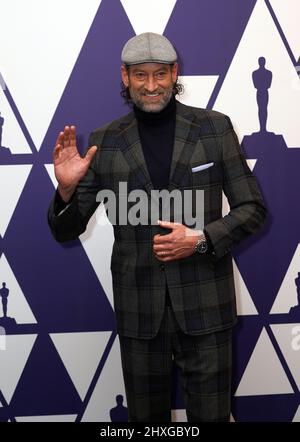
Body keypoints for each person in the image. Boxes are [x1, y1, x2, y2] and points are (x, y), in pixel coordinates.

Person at [48, 32, 267, 422]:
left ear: (174, 73)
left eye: (160, 74)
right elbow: (66, 229)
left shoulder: (214, 128)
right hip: (139, 312)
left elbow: (252, 208)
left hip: (206, 309)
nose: (151, 86)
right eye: (140, 76)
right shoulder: (105, 142)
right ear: (125, 77)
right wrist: (65, 190)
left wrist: (199, 240)